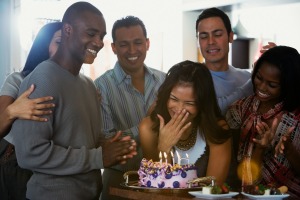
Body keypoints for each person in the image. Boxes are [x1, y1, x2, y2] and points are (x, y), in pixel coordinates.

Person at [9, 2, 136, 199]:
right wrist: (98, 157)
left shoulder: (88, 84)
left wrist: (109, 144)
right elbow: (30, 154)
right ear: (67, 30)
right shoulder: (43, 79)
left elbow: (77, 138)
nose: (99, 42)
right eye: (91, 33)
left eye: (101, 36)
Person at [94, 15, 165, 200]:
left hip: (162, 178)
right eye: (124, 44)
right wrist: (145, 125)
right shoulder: (101, 86)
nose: (132, 50)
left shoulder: (164, 81)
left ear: (148, 43)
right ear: (114, 47)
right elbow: (108, 142)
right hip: (119, 180)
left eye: (138, 42)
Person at [139, 60, 232, 186]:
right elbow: (155, 188)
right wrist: (164, 148)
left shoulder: (217, 128)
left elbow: (214, 189)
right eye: (173, 99)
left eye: (189, 103)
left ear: (203, 104)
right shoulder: (148, 128)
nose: (179, 109)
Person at [226, 46, 300, 197]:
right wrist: (260, 149)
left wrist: (289, 149)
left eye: (272, 85)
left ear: (288, 85)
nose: (261, 87)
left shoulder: (296, 118)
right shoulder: (239, 109)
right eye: (259, 77)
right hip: (244, 195)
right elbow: (231, 164)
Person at [0, 21, 62, 200]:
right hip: (15, 164)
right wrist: (13, 111)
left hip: (54, 166)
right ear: (44, 46)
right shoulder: (18, 80)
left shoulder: (76, 85)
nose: (66, 49)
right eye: (59, 42)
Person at [195, 7, 253, 115]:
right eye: (203, 36)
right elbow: (213, 112)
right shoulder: (191, 81)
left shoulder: (247, 78)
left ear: (230, 37)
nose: (210, 41)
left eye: (217, 35)